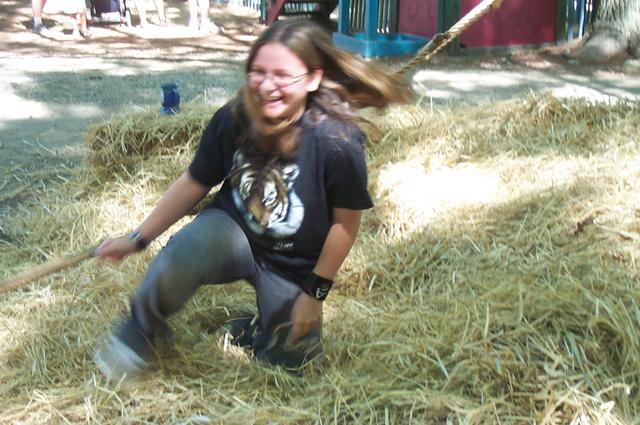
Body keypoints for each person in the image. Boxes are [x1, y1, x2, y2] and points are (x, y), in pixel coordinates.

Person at [93, 19, 412, 381]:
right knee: (182, 254)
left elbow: (345, 225)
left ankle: (258, 328)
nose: (267, 86)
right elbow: (194, 182)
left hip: (294, 263)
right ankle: (142, 327)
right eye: (258, 72)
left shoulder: (337, 141)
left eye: (283, 75)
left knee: (289, 370)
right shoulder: (234, 119)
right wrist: (137, 239)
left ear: (312, 79)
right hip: (233, 231)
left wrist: (315, 293)